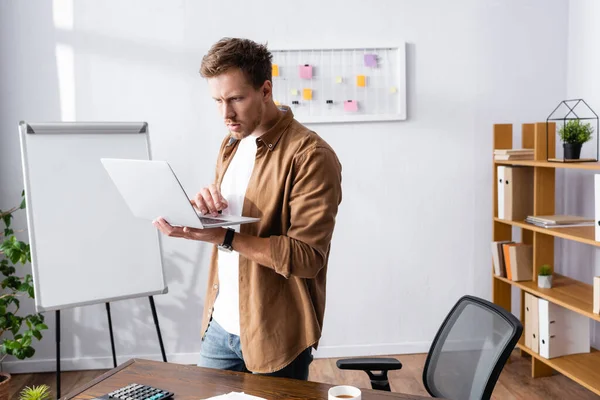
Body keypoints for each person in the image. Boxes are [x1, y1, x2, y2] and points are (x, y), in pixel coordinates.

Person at [153, 37, 342, 380]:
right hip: (220, 324)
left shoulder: (310, 155)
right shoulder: (231, 143)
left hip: (275, 332)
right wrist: (203, 210)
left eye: (236, 99)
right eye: (217, 101)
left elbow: (307, 257)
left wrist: (223, 235)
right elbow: (234, 220)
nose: (226, 113)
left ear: (266, 90)